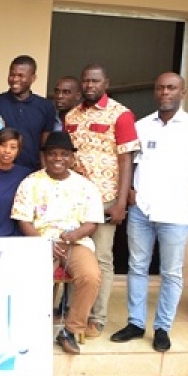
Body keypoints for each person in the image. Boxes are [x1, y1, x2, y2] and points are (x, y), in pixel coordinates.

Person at [111, 72, 188, 352]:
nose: (165, 92)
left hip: (175, 214)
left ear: (182, 93)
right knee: (137, 267)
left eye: (171, 88)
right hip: (141, 211)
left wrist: (182, 187)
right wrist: (131, 191)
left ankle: (162, 328)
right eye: (160, 88)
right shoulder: (141, 126)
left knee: (171, 273)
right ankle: (136, 323)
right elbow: (130, 164)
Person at [65, 64, 140, 338]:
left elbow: (126, 160)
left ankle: (96, 318)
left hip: (106, 199)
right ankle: (74, 313)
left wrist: (121, 201)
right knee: (75, 254)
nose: (90, 85)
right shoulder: (72, 115)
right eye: (86, 81)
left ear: (106, 82)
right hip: (75, 200)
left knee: (102, 258)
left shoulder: (121, 115)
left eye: (95, 81)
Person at [12, 131, 103, 354]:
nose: (58, 158)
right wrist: (44, 243)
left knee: (90, 276)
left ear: (72, 158)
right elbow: (23, 221)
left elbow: (92, 222)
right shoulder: (30, 183)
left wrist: (73, 236)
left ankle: (70, 330)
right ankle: (31, 330)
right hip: (40, 241)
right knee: (34, 277)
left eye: (64, 154)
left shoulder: (85, 186)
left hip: (75, 243)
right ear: (45, 156)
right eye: (52, 154)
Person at [0, 55, 56, 170]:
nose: (15, 79)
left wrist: (44, 171)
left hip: (31, 171)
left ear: (33, 78)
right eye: (12, 75)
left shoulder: (45, 106)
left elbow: (45, 146)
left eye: (21, 76)